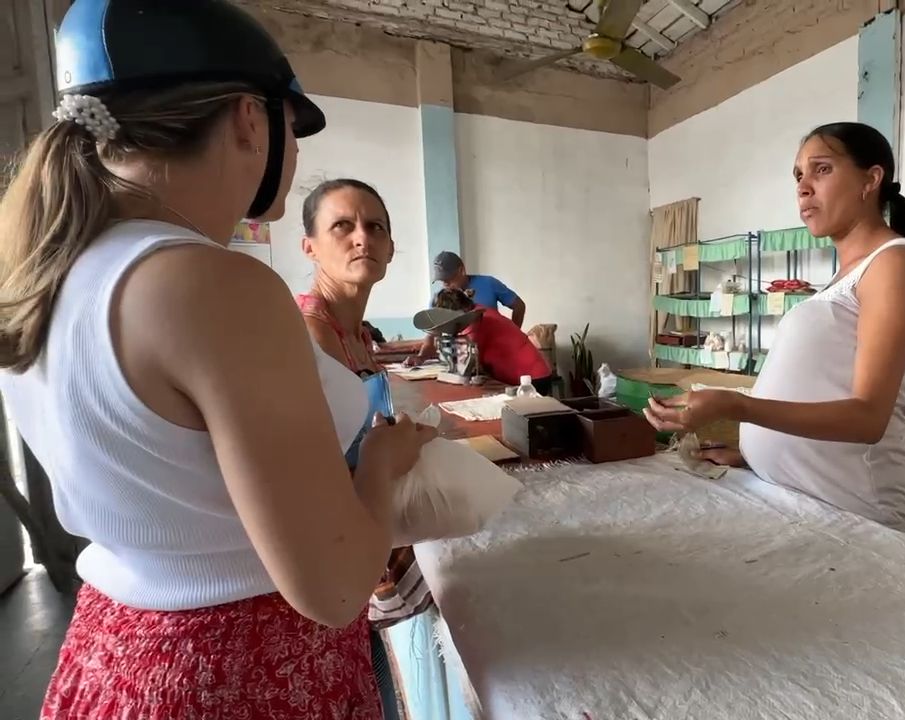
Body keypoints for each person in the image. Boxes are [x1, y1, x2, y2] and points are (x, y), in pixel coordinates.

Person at [0, 2, 433, 717]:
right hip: (237, 672)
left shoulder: (50, 274)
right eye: (292, 126)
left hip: (115, 651)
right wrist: (385, 465)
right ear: (249, 119)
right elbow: (332, 588)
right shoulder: (213, 285)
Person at [646, 122, 905, 537]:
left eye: (821, 170)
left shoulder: (895, 263)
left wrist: (736, 405)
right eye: (799, 176)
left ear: (871, 179)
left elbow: (868, 418)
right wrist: (753, 455)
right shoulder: (845, 276)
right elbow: (820, 388)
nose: (803, 188)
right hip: (808, 499)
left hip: (865, 515)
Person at [296, 178, 434, 720]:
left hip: (363, 526)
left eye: (375, 227)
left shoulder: (356, 332)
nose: (362, 239)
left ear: (391, 247)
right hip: (330, 554)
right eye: (342, 226)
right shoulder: (310, 331)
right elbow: (309, 473)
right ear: (309, 245)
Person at [430, 287, 553, 392]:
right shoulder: (477, 311)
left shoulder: (478, 320)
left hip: (531, 379)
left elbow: (468, 361)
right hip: (523, 377)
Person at [432, 250, 526, 327]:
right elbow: (433, 335)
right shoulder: (439, 300)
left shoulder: (489, 283)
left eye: (449, 278)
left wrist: (513, 333)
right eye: (442, 280)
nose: (445, 284)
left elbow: (519, 306)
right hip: (461, 347)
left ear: (461, 270)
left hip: (493, 345)